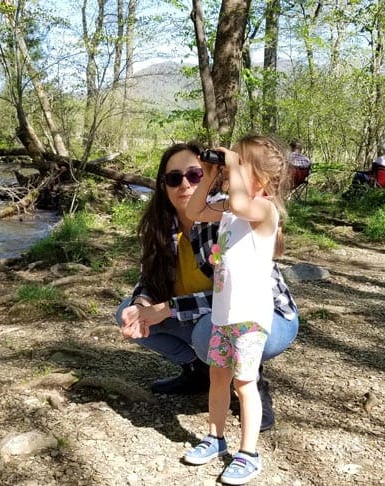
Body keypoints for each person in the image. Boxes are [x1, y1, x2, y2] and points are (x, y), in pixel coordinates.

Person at [116, 141, 299, 433]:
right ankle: (198, 372)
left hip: (266, 315)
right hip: (213, 314)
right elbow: (148, 279)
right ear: (163, 187)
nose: (184, 184)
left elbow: (233, 293)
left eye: (195, 175)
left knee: (208, 332)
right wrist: (142, 306)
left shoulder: (236, 214)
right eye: (174, 178)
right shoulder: (163, 226)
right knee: (127, 311)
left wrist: (167, 308)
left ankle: (251, 382)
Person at [181, 135, 287, 484]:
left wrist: (235, 166)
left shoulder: (262, 209)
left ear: (263, 178)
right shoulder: (229, 207)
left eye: (241, 166)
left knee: (245, 384)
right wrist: (211, 174)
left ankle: (248, 454)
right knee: (218, 378)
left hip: (250, 318)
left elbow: (243, 205)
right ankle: (214, 437)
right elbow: (194, 211)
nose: (232, 172)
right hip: (224, 315)